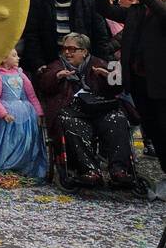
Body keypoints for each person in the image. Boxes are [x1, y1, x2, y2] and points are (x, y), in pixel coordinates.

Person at [36, 32, 133, 189]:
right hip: (71, 109)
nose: (67, 52)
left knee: (117, 118)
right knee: (72, 123)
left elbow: (117, 87)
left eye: (72, 49)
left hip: (98, 108)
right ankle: (89, 170)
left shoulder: (98, 63)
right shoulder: (56, 65)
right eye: (65, 48)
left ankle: (120, 170)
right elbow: (44, 84)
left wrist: (107, 76)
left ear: (84, 51)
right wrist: (58, 76)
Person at [103, 0, 166, 180]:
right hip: (139, 82)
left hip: (161, 83)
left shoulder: (161, 11)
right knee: (152, 128)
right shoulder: (136, 11)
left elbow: (160, 11)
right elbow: (107, 10)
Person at [21, 0, 113, 75]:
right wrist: (38, 63)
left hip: (82, 60)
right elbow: (32, 34)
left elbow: (100, 34)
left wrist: (100, 62)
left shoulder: (86, 0)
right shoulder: (39, 2)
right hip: (51, 60)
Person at [0, 47, 47, 182]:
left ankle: (22, 167)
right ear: (4, 59)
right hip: (7, 115)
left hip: (25, 114)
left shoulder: (20, 74)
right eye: (14, 55)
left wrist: (39, 113)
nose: (18, 58)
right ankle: (2, 167)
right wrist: (3, 113)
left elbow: (31, 95)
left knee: (24, 140)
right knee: (7, 142)